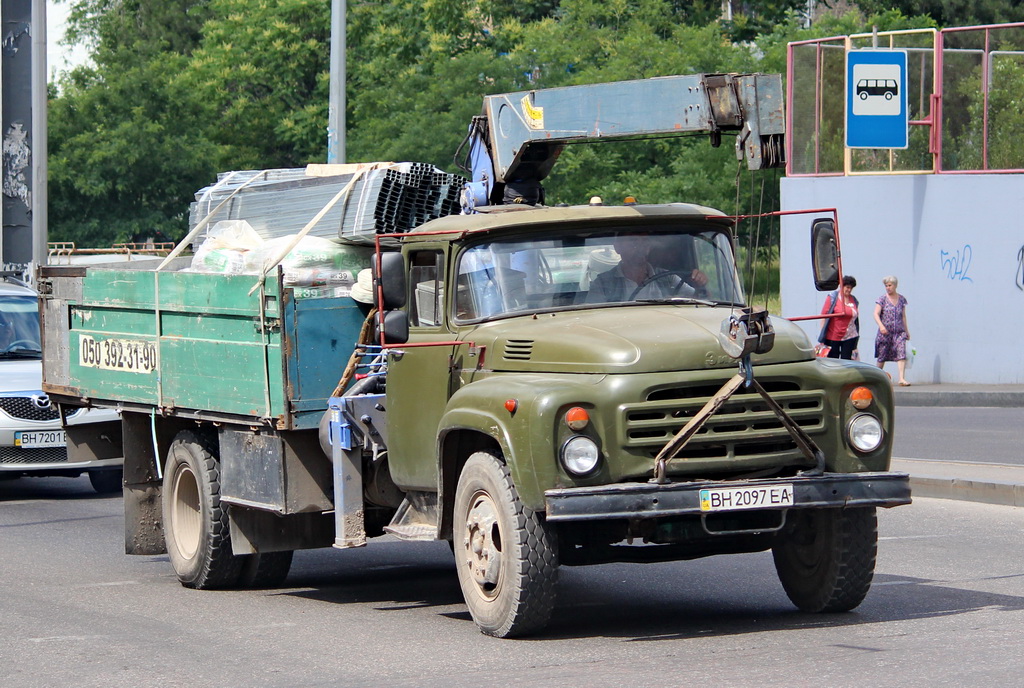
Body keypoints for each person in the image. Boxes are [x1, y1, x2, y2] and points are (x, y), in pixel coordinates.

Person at [586, 233, 707, 303]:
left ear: (649, 247)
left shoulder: (668, 278)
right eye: (633, 241)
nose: (640, 247)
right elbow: (592, 318)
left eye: (644, 242)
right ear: (618, 247)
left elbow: (700, 303)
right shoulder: (602, 284)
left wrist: (700, 285)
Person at [873, 275, 911, 385]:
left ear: (895, 285)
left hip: (899, 332)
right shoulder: (882, 299)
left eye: (889, 285)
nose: (888, 288)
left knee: (901, 353)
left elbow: (903, 316)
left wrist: (906, 331)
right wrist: (881, 326)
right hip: (885, 332)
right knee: (882, 355)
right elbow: (876, 313)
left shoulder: (902, 299)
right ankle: (877, 377)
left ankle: (901, 378)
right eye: (886, 286)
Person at [819, 275, 859, 360]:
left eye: (851, 288)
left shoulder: (854, 300)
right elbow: (824, 316)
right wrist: (823, 335)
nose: (849, 290)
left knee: (847, 361)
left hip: (849, 336)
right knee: (833, 361)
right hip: (834, 335)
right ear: (842, 286)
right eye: (847, 287)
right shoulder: (833, 297)